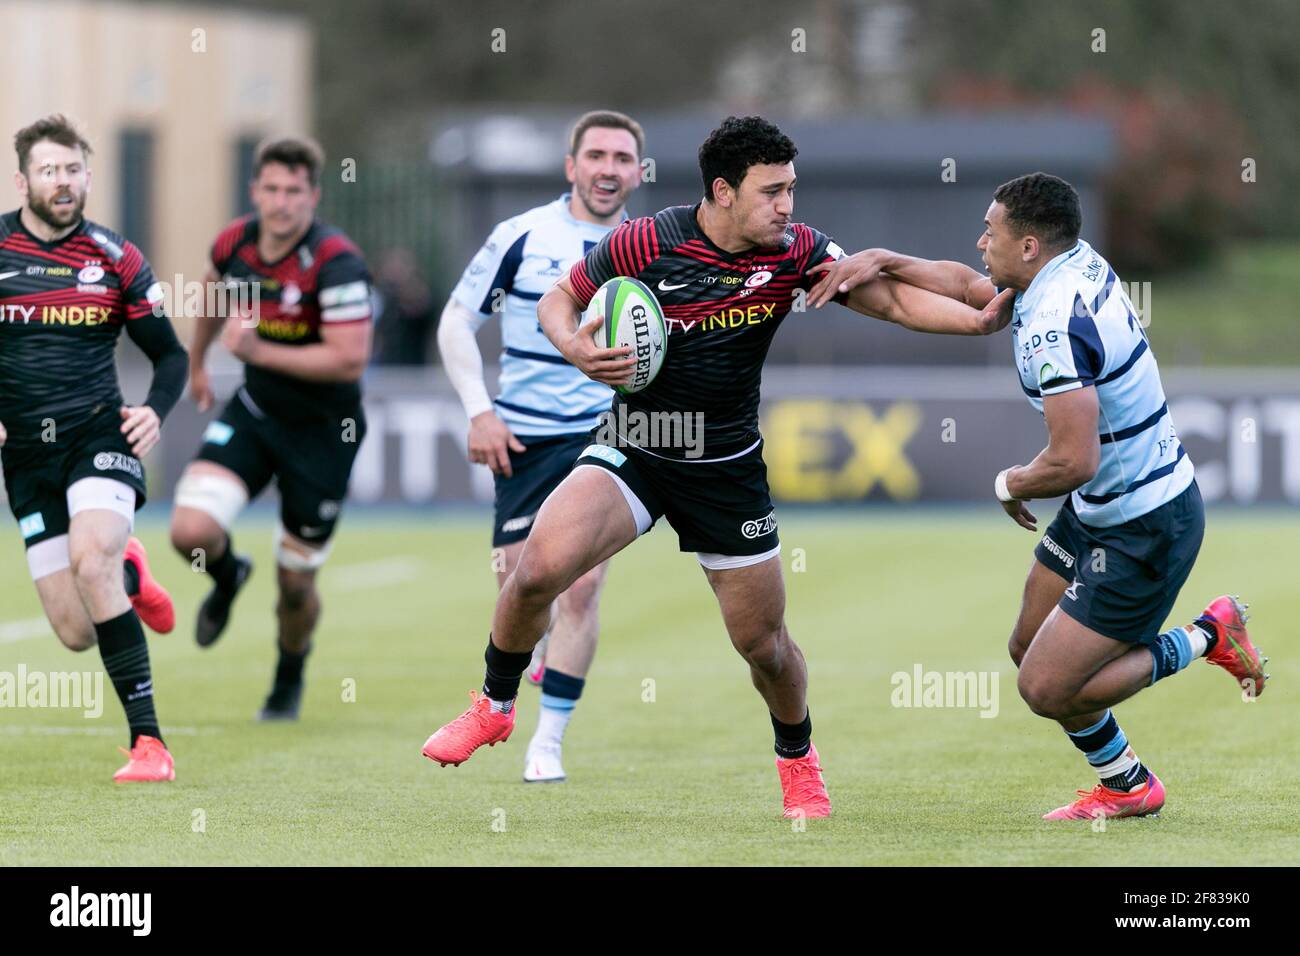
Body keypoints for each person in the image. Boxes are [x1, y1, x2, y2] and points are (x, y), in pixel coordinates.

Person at [421, 116, 1013, 817]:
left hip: (725, 464)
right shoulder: (648, 240)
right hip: (637, 439)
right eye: (773, 192)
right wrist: (574, 349)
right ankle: (493, 705)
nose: (788, 206)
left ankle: (798, 759)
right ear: (724, 192)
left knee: (763, 647)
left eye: (791, 189)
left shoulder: (795, 253)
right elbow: (561, 300)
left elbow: (892, 300)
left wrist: (974, 320)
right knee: (537, 571)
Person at [807, 172, 1269, 820]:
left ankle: (1208, 633)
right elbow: (972, 290)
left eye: (990, 233)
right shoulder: (1064, 261)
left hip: (1145, 522)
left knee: (1046, 688)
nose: (979, 242)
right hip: (1104, 507)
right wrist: (885, 260)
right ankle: (1127, 784)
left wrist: (1009, 483)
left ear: (1028, 246)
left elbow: (1076, 459)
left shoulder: (1054, 318)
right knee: (1027, 645)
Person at [438, 110, 645, 783]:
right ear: (571, 166)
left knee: (580, 588)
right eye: (597, 156)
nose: (608, 169)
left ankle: (547, 741)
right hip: (523, 436)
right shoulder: (523, 236)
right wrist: (479, 412)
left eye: (622, 158)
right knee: (526, 590)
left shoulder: (652, 245)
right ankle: (524, 666)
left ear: (637, 172)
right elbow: (454, 323)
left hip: (607, 433)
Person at [0, 115, 187, 781]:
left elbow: (170, 356)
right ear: (24, 179)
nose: (63, 181)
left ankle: (150, 746)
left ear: (87, 176)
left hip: (97, 438)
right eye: (49, 170)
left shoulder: (115, 257)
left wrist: (155, 412)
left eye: (73, 169)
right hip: (24, 455)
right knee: (76, 631)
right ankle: (130, 573)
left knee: (89, 557)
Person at [169, 136, 373, 720]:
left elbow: (349, 359)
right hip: (256, 414)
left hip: (325, 433)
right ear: (255, 190)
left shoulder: (337, 262)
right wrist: (199, 360)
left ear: (313, 196)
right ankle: (229, 576)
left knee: (295, 584)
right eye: (272, 189)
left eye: (294, 191)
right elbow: (212, 289)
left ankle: (288, 678)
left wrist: (255, 350)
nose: (282, 203)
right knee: (189, 532)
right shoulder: (235, 241)